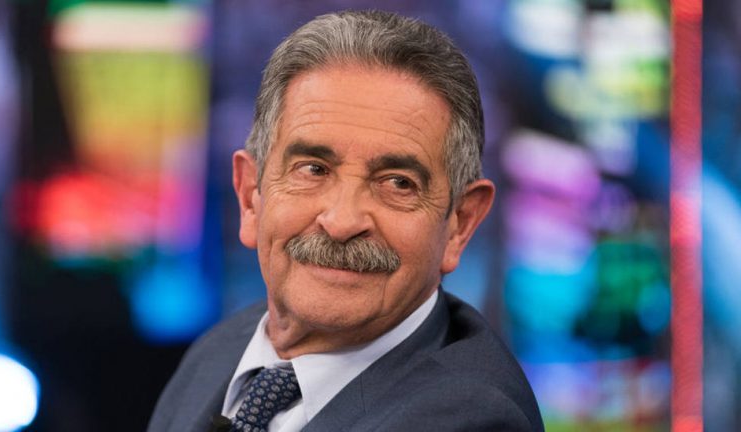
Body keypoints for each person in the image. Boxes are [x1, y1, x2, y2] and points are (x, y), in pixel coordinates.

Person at [148, 10, 544, 432]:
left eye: (398, 183)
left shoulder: (473, 419)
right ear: (250, 197)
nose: (341, 222)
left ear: (460, 224)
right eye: (313, 169)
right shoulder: (220, 351)